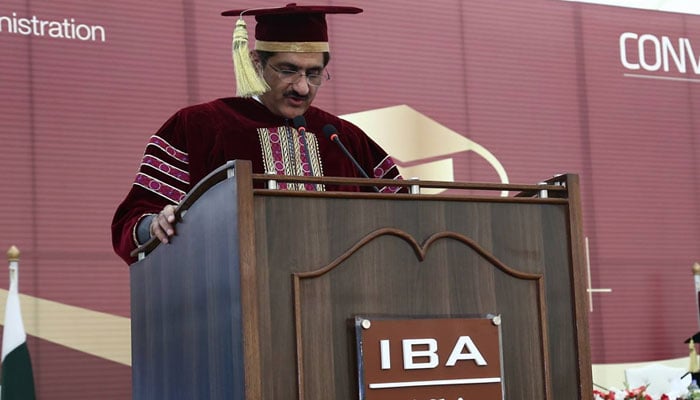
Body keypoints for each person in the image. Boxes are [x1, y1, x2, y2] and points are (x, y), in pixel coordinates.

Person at [111, 4, 403, 264]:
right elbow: (131, 224)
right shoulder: (198, 126)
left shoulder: (342, 138)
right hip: (231, 303)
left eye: (314, 74)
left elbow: (407, 217)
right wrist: (152, 224)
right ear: (255, 63)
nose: (302, 87)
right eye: (288, 70)